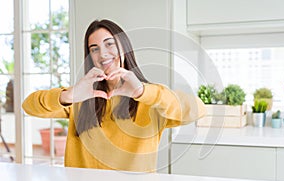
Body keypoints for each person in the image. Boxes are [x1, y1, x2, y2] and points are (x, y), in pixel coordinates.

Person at [22, 19, 206, 172]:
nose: (102, 54)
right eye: (94, 48)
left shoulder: (151, 98)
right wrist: (69, 95)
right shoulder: (80, 97)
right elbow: (29, 106)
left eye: (109, 44)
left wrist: (142, 92)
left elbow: (197, 109)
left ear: (124, 47)